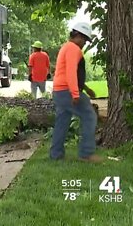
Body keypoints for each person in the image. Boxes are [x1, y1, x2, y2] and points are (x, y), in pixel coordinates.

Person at [50, 22, 103, 163]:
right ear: (78, 36)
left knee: (62, 122)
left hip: (59, 91)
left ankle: (56, 155)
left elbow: (71, 74)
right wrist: (75, 93)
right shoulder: (74, 49)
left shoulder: (66, 47)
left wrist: (86, 89)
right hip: (67, 91)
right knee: (90, 115)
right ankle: (86, 153)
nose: (85, 43)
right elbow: (71, 72)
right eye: (84, 39)